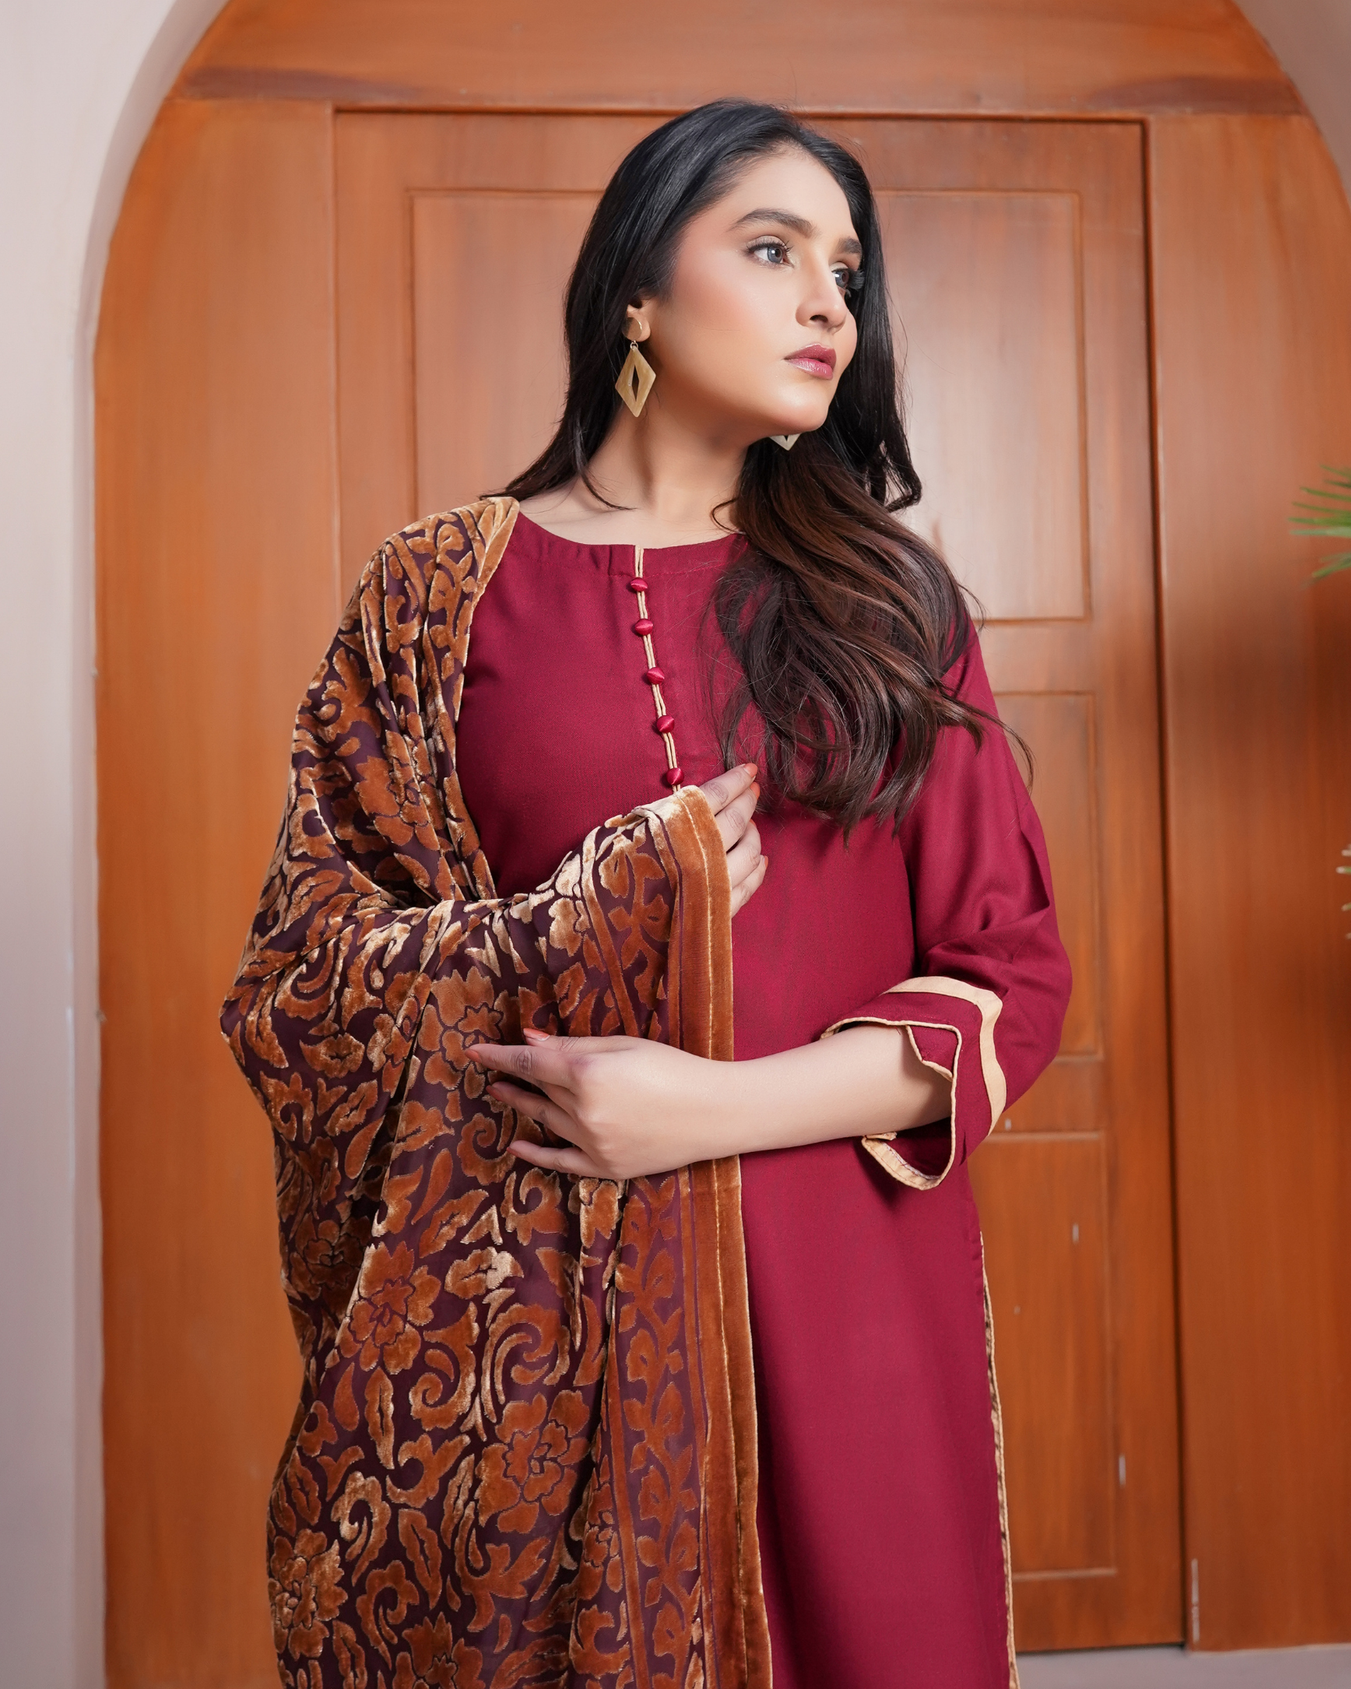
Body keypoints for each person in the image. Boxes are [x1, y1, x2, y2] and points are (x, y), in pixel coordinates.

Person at [223, 99, 1071, 1689]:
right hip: (546, 1301)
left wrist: (698, 1112)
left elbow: (1007, 973)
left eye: (845, 268)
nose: (827, 302)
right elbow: (302, 982)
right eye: (770, 249)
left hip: (849, 1293)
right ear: (636, 290)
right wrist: (578, 919)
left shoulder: (891, 603)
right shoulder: (434, 599)